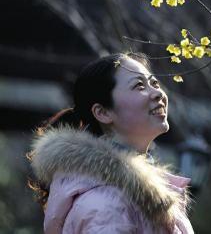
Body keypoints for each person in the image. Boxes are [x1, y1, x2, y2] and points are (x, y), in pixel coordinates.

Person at [28, 52, 194, 233]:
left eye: (154, 83)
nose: (158, 93)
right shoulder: (104, 205)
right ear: (103, 113)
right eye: (139, 86)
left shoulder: (140, 193)